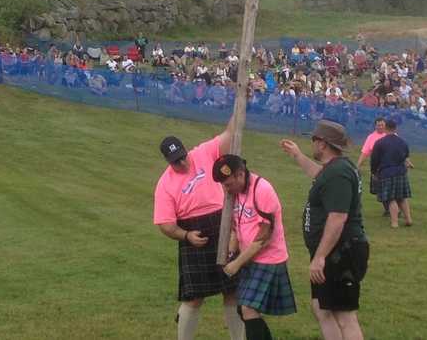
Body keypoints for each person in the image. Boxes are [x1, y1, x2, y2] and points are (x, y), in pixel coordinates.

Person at [153, 119, 244, 340]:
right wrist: (185, 235)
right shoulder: (164, 184)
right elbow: (165, 224)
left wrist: (242, 99)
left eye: (183, 156)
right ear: (168, 161)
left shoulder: (203, 152)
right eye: (176, 161)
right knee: (194, 296)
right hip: (194, 233)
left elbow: (230, 134)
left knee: (232, 291)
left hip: (222, 225)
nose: (183, 163)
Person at [280, 121, 369, 340]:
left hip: (341, 252)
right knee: (321, 308)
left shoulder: (338, 173)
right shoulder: (335, 169)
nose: (313, 144)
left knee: (344, 315)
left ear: (323, 144)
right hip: (334, 250)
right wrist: (298, 156)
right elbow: (320, 175)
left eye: (314, 140)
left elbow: (338, 218)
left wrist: (320, 257)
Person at [216, 154, 296, 340]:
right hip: (250, 257)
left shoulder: (263, 190)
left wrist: (236, 264)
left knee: (248, 308)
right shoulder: (234, 193)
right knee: (242, 308)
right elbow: (237, 227)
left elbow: (264, 236)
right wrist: (230, 251)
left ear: (240, 174)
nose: (226, 189)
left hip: (268, 258)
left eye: (228, 184)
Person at [370, 120, 414, 226]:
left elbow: (374, 159)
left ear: (385, 128)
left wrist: (374, 172)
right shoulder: (403, 142)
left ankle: (394, 223)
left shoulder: (380, 143)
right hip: (401, 172)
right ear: (395, 129)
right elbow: (406, 156)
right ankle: (408, 219)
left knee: (391, 198)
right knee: (402, 197)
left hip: (387, 172)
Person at [355, 117, 389, 199]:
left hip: (389, 165)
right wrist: (357, 166)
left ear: (385, 126)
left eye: (382, 125)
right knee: (378, 189)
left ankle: (391, 207)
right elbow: (364, 153)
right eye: (378, 125)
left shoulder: (390, 135)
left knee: (388, 188)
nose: (380, 127)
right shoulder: (371, 137)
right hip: (377, 166)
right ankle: (388, 208)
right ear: (375, 126)